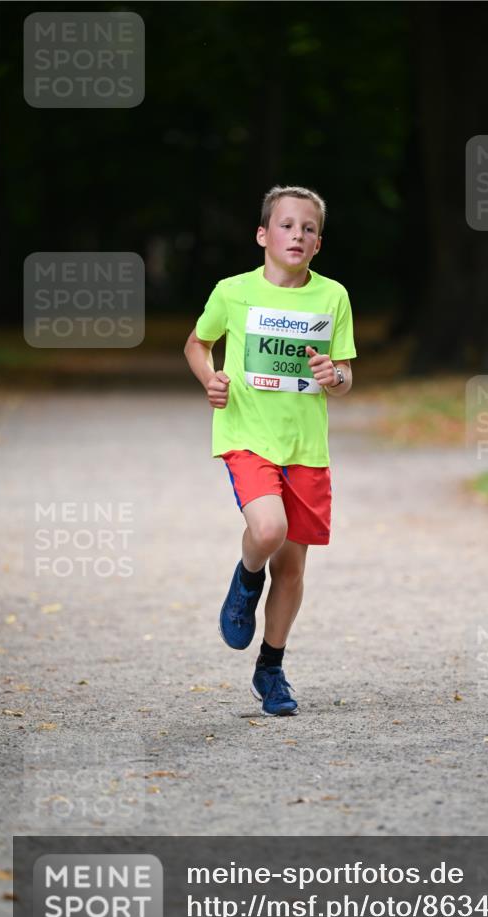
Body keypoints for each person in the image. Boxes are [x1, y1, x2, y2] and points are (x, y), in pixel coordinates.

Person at [184, 185, 356, 716]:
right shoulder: (233, 292)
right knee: (267, 531)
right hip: (246, 436)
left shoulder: (333, 297)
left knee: (294, 569)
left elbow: (345, 375)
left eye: (308, 228)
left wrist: (334, 376)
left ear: (318, 243)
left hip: (305, 447)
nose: (296, 235)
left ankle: (271, 668)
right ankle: (245, 578)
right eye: (286, 225)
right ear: (263, 235)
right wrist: (210, 379)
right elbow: (197, 343)